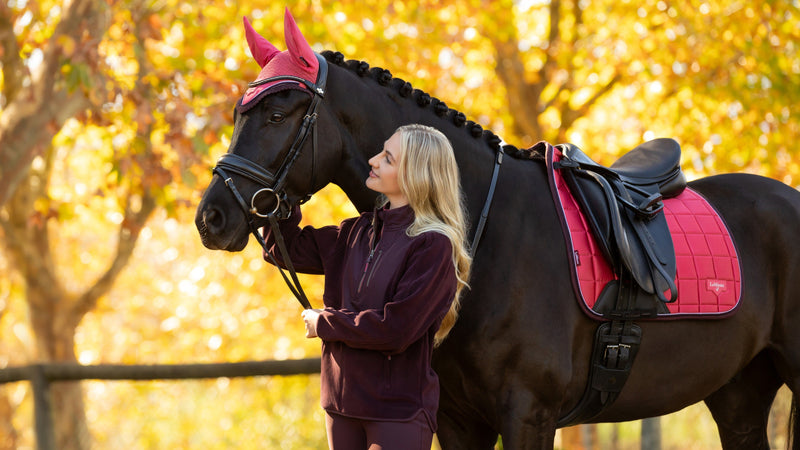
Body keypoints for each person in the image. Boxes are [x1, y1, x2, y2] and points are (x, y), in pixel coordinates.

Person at [264, 124, 472, 449]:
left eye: (388, 158)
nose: (373, 160)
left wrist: (325, 322)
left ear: (414, 175)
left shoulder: (432, 246)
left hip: (395, 412)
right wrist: (283, 192)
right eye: (381, 151)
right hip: (340, 405)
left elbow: (396, 330)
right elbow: (282, 249)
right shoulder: (355, 232)